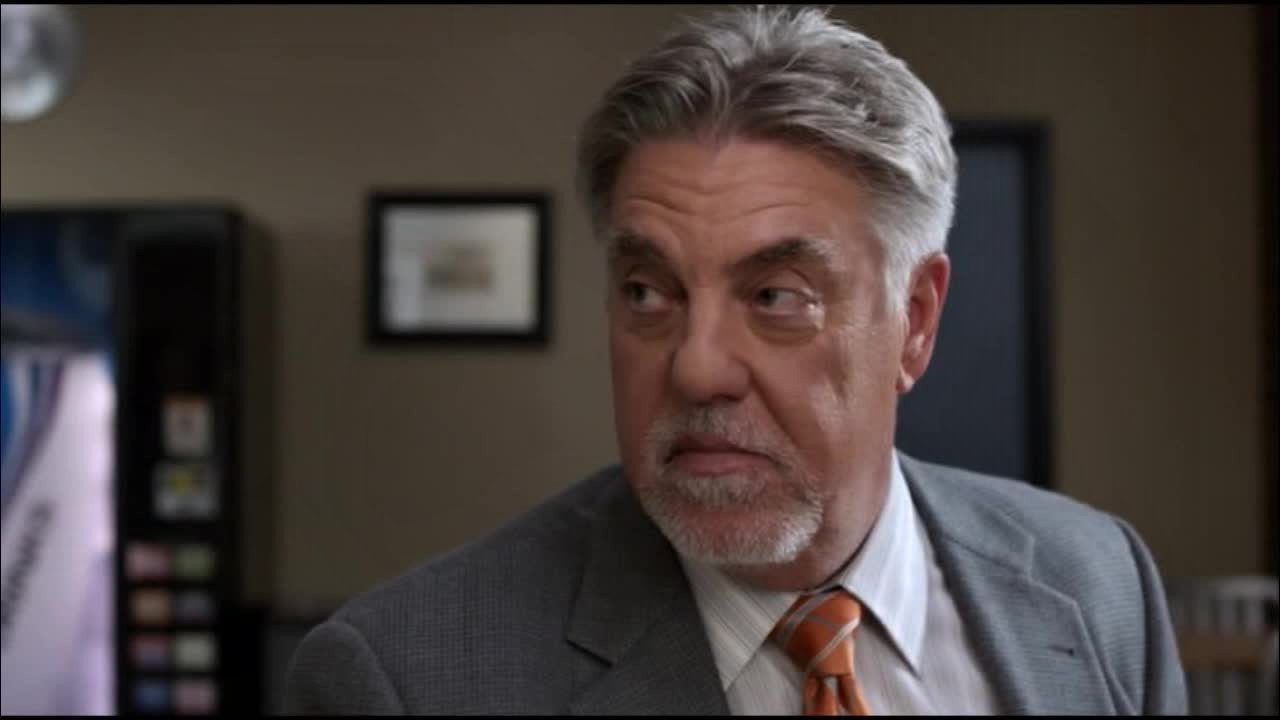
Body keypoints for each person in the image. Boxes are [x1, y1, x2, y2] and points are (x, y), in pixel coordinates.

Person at [284, 5, 1186, 715]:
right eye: (649, 292)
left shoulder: (1097, 581)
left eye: (776, 297)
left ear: (914, 322)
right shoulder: (405, 679)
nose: (697, 369)